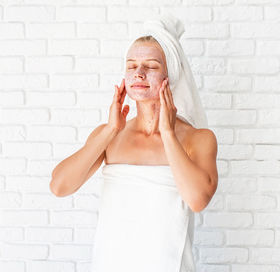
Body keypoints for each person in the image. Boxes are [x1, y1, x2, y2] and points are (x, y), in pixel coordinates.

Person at [50, 12, 218, 272]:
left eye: (151, 66)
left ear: (169, 75)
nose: (139, 73)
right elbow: (59, 186)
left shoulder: (198, 139)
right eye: (131, 65)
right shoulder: (109, 135)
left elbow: (198, 200)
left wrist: (169, 134)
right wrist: (110, 130)